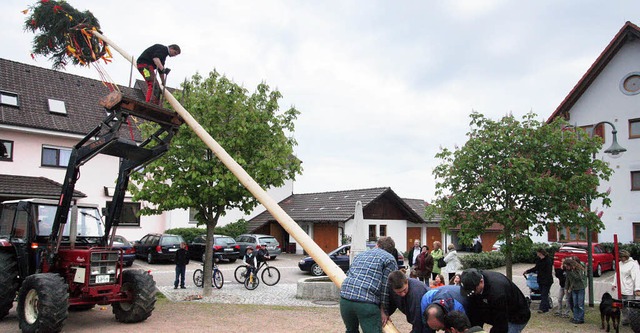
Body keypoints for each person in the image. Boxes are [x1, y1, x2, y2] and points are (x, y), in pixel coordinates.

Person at [340, 236, 398, 333]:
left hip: (345, 299)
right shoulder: (390, 259)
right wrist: (384, 311)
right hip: (367, 302)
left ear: (377, 245)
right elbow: (386, 287)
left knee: (351, 331)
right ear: (391, 250)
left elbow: (349, 274)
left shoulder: (360, 255)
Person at [460, 268, 531, 333]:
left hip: (516, 316)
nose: (472, 293)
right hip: (495, 313)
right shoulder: (473, 283)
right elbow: (475, 313)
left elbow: (501, 324)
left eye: (473, 290)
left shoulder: (497, 292)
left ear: (481, 282)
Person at [611, 249, 640, 326]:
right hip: (621, 288)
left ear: (625, 256)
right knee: (623, 306)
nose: (620, 259)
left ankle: (632, 320)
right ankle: (625, 319)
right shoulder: (620, 264)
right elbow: (617, 273)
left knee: (630, 306)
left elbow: (637, 277)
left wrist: (637, 289)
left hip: (629, 288)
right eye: (619, 257)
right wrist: (614, 284)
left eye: (621, 257)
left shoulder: (633, 264)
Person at [523, 248, 553, 313]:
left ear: (540, 253)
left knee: (544, 294)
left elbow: (547, 271)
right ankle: (546, 306)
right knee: (543, 293)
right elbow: (536, 268)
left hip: (547, 280)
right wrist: (528, 271)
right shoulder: (539, 260)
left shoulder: (548, 260)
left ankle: (542, 308)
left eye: (537, 253)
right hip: (540, 279)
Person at [563, 258, 586, 324]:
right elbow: (568, 280)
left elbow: (578, 278)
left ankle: (581, 318)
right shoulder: (568, 271)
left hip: (580, 288)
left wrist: (572, 272)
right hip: (573, 289)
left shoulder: (578, 269)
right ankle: (576, 317)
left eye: (567, 266)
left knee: (580, 304)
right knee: (575, 304)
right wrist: (566, 288)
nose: (566, 268)